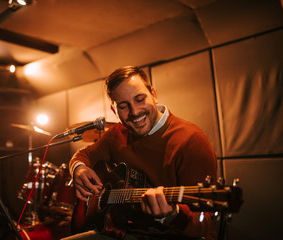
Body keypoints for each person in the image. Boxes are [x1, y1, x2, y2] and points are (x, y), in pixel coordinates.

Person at [64, 66, 217, 240]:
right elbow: (84, 155)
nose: (135, 112)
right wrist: (78, 168)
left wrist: (172, 214)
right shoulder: (117, 133)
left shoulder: (191, 140)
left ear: (153, 94)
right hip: (123, 231)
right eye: (123, 106)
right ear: (114, 110)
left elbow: (206, 223)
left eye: (140, 99)